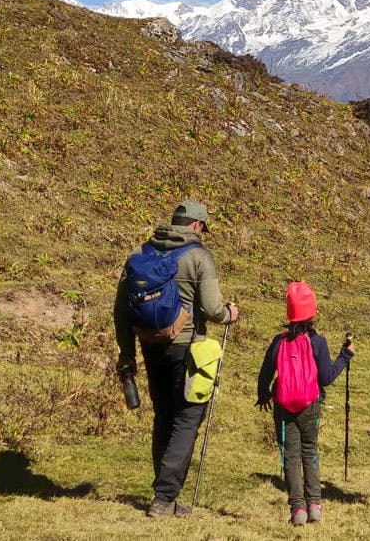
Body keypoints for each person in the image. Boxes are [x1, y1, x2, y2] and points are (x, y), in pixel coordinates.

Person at [114, 201, 240, 518]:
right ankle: (164, 498)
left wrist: (127, 351)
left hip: (150, 345)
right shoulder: (199, 256)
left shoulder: (141, 253)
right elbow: (212, 309)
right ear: (197, 226)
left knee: (164, 418)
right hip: (188, 348)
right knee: (187, 419)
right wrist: (230, 314)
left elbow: (121, 309)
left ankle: (165, 497)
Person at [257, 281, 353, 527]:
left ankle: (297, 508)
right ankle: (315, 505)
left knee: (290, 457)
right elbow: (327, 377)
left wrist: (263, 395)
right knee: (309, 452)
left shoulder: (278, 342)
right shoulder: (317, 342)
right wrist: (345, 356)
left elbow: (265, 372)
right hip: (311, 405)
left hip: (283, 408)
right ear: (312, 313)